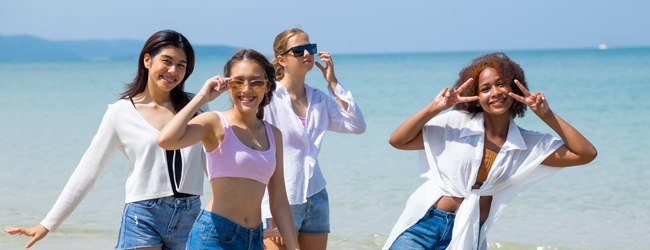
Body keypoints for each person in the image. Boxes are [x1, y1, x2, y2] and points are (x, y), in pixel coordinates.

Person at [4, 30, 209, 250]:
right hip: (143, 216)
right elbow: (87, 171)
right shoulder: (120, 113)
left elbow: (215, 166)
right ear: (147, 60)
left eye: (181, 65)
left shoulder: (197, 107)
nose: (173, 71)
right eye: (166, 61)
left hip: (190, 215)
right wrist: (48, 224)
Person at [384, 52, 597, 250]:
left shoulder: (527, 143)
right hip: (424, 227)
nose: (495, 93)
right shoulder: (457, 124)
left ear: (514, 88)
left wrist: (546, 115)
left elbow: (585, 153)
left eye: (501, 84)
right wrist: (435, 108)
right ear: (475, 96)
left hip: (470, 233)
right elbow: (398, 141)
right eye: (485, 89)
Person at [156, 49, 299, 250]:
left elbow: (280, 201)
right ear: (227, 84)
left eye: (256, 82)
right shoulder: (214, 122)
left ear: (267, 86)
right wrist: (202, 98)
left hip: (254, 239)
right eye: (238, 82)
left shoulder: (274, 134)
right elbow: (165, 140)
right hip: (215, 236)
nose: (246, 89)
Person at [261, 28, 366, 250]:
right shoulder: (269, 99)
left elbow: (356, 126)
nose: (307, 54)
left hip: (316, 195)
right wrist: (269, 210)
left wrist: (333, 83)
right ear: (282, 60)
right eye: (299, 51)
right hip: (282, 198)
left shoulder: (319, 98)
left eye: (311, 48)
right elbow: (262, 154)